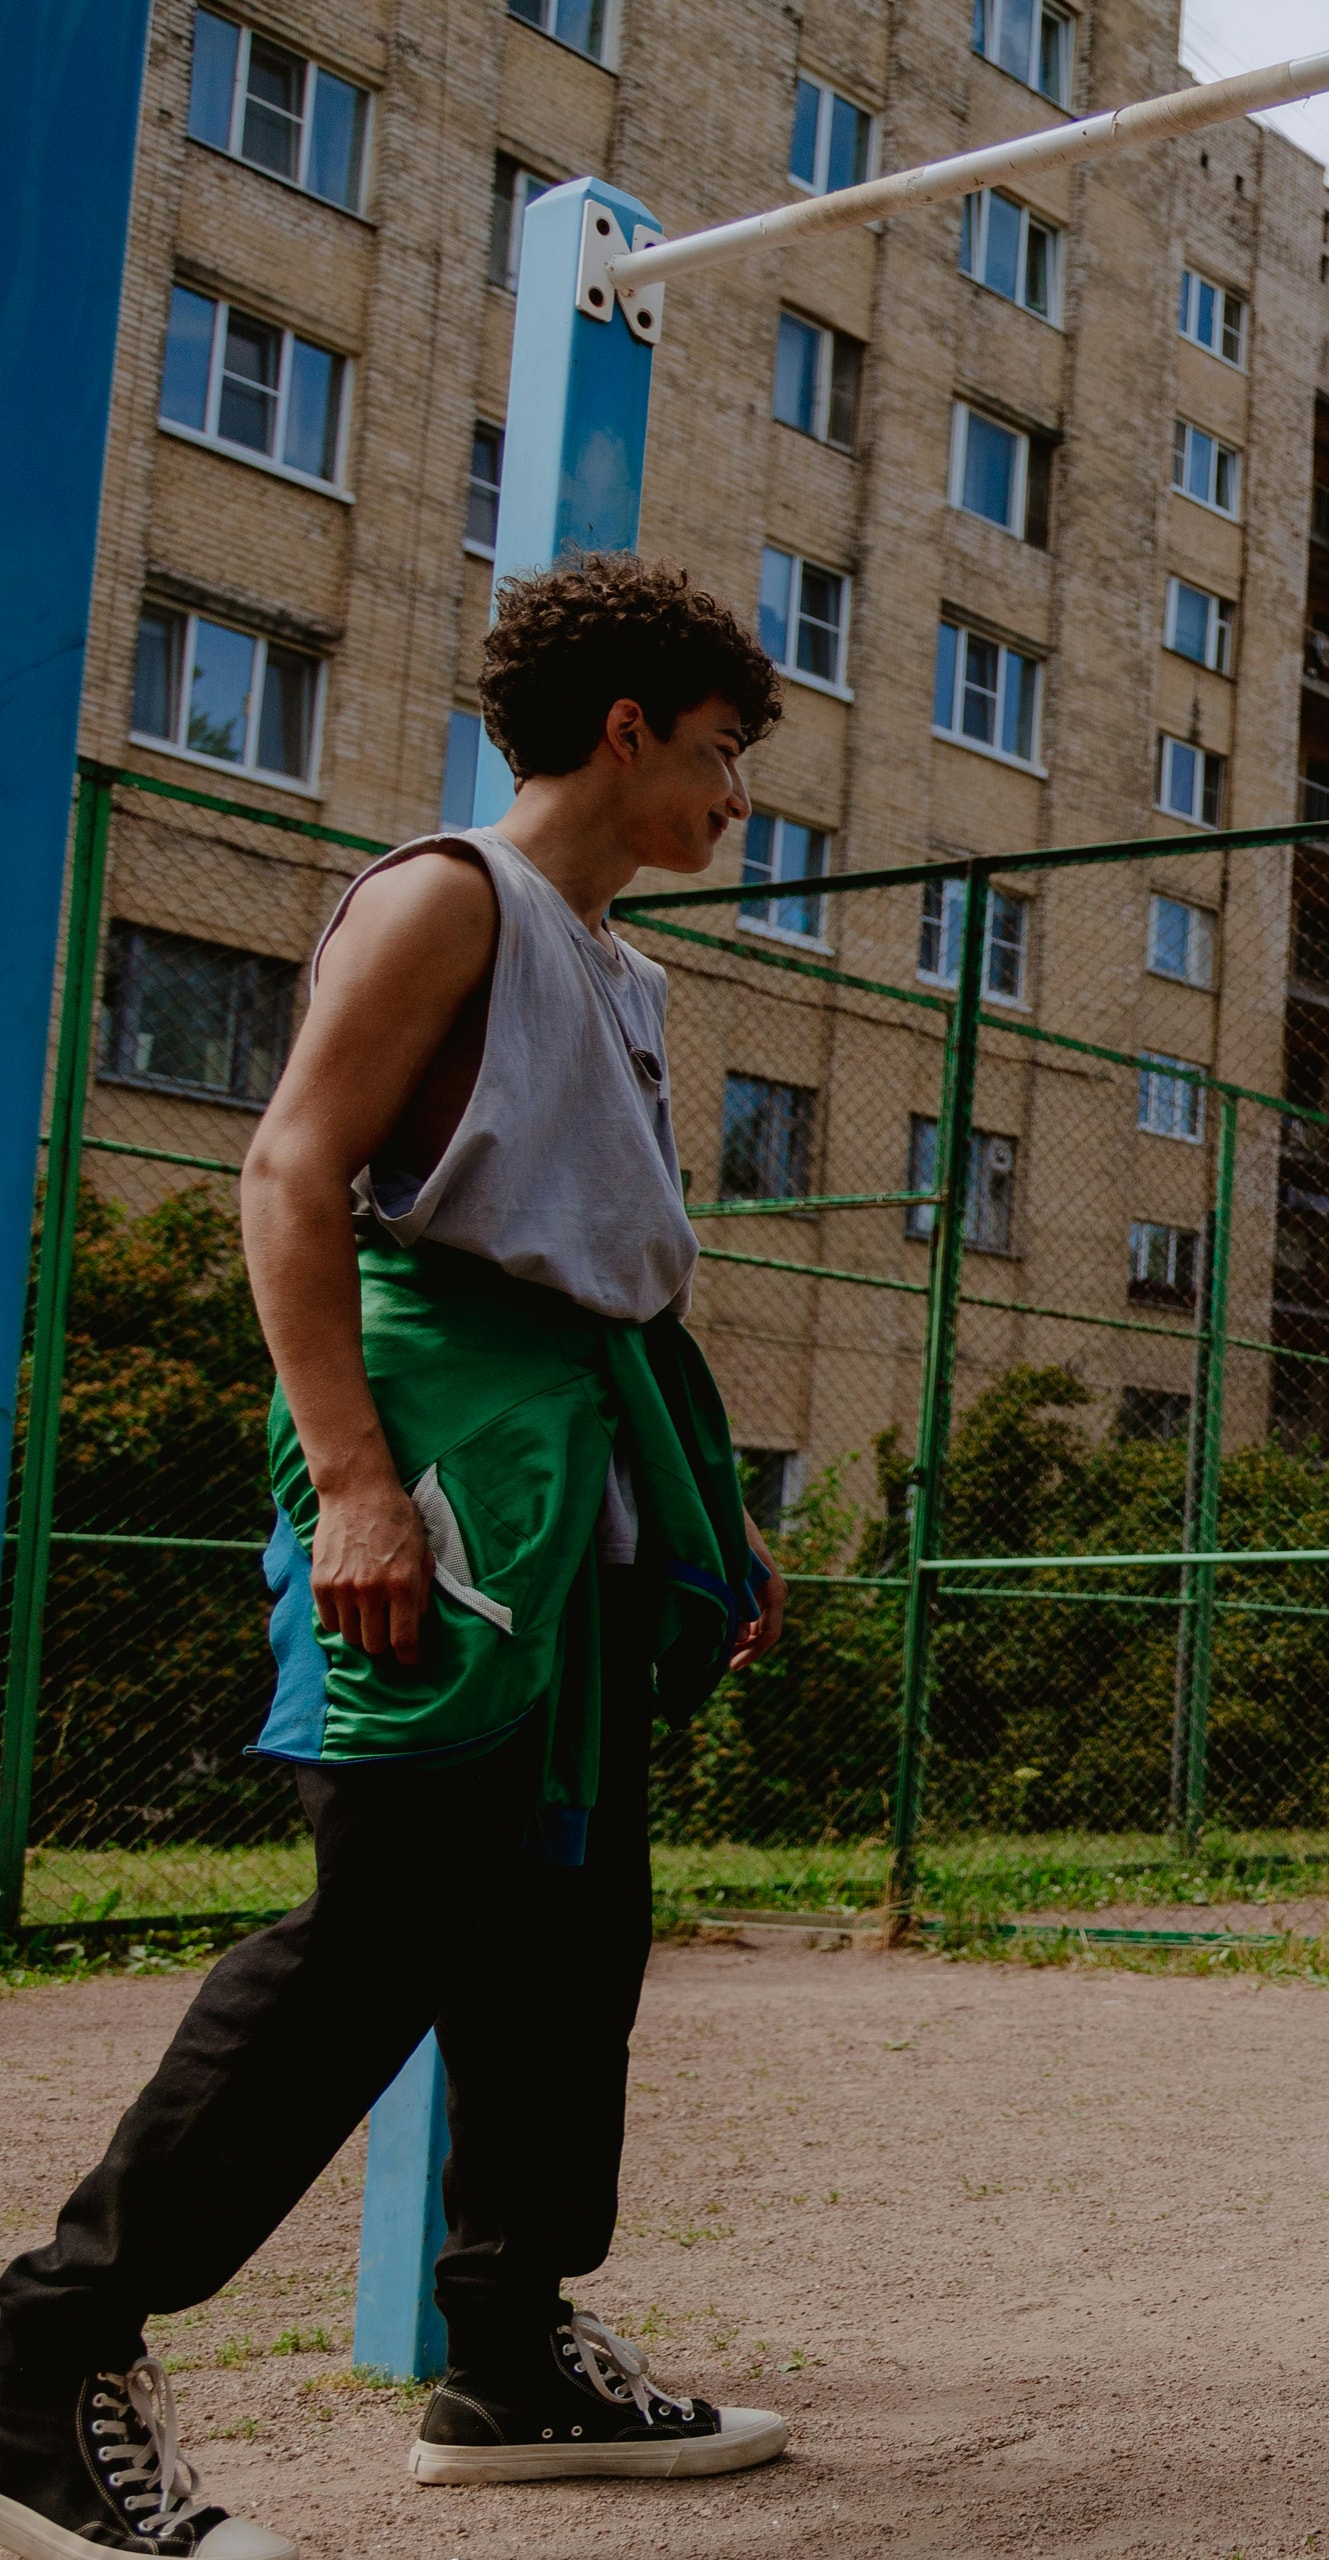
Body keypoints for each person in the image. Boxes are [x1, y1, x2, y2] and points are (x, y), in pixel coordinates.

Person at [0, 555, 801, 2560]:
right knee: (384, 1932)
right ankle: (46, 2338)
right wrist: (352, 1479)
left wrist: (703, 1510)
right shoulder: (454, 895)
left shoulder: (625, 963)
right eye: (717, 755)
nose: (734, 799)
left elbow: (602, 1274)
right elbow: (286, 1168)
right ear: (624, 730)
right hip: (444, 1460)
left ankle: (510, 2349)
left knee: (571, 1931)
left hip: (583, 1463)